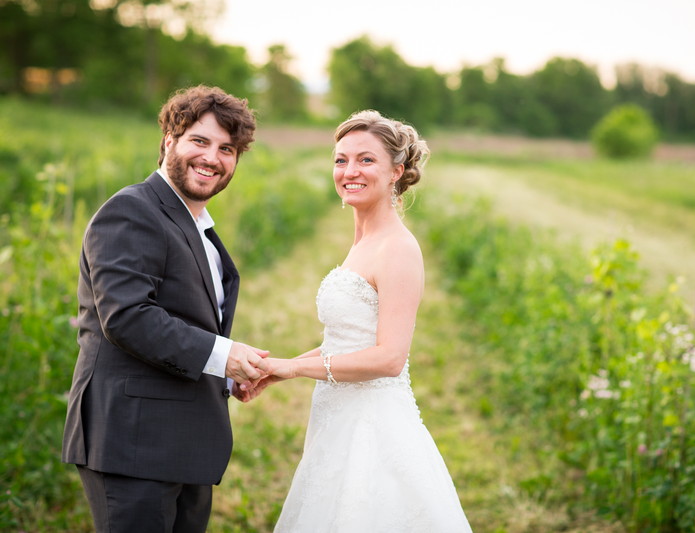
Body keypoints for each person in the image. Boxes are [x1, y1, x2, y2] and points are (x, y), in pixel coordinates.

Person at [62, 85, 269, 533]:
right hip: (133, 441)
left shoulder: (196, 224)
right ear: (168, 141)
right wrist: (222, 355)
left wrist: (225, 373)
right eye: (200, 141)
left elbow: (185, 318)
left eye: (227, 149)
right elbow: (128, 316)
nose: (212, 158)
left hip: (183, 440)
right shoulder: (132, 211)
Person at [256, 110, 472, 532]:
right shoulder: (363, 242)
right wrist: (278, 370)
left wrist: (297, 368)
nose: (349, 171)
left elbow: (389, 358)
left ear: (397, 171)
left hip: (373, 425)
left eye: (365, 160)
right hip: (336, 416)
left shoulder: (398, 249)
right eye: (341, 160)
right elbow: (349, 343)